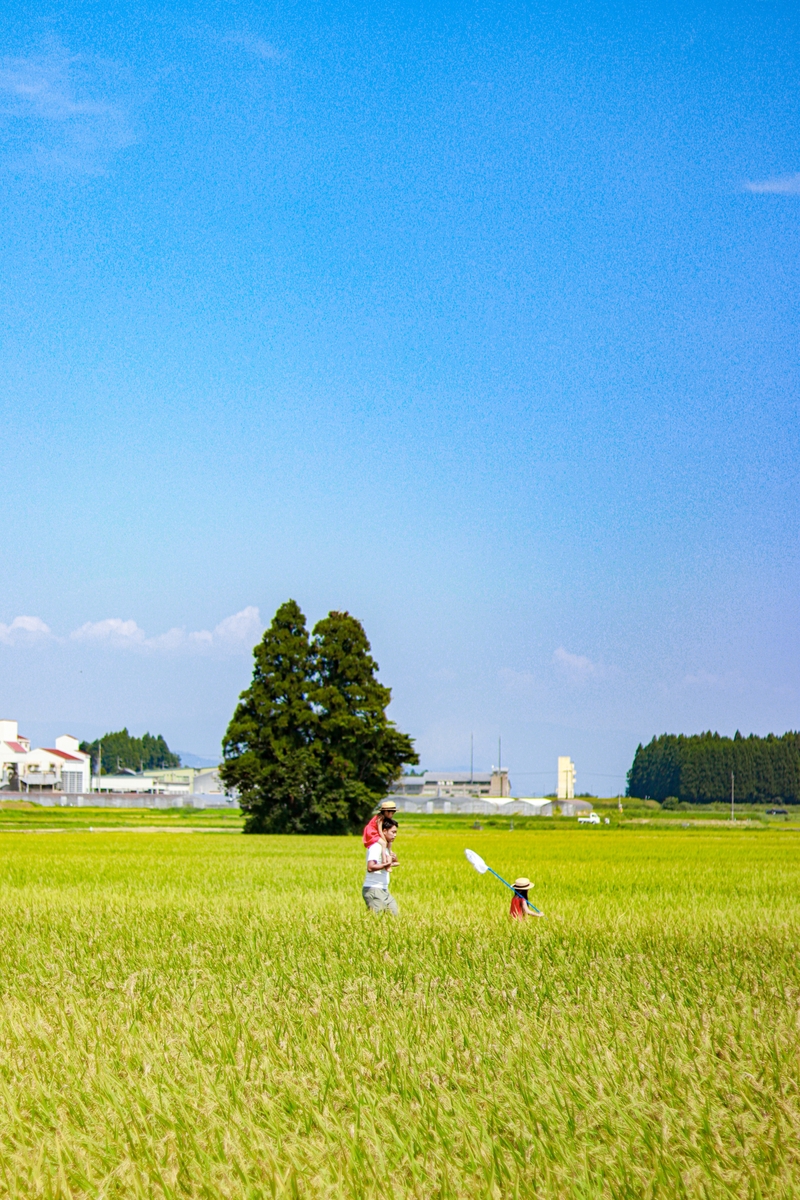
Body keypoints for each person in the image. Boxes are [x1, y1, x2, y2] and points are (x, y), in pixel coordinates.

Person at [363, 817, 400, 915]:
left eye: (396, 832)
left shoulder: (386, 848)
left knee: (394, 914)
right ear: (384, 831)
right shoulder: (376, 847)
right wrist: (386, 864)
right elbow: (370, 867)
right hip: (374, 889)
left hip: (384, 889)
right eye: (393, 832)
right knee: (376, 921)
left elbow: (391, 863)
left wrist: (394, 859)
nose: (395, 835)